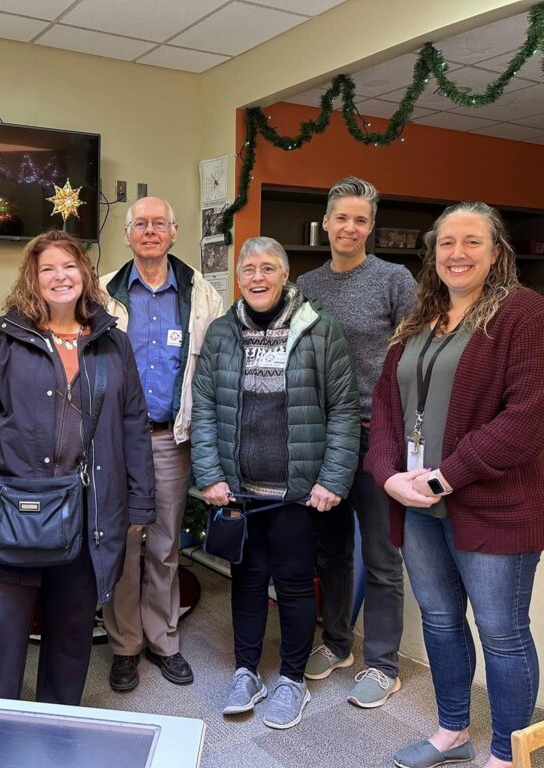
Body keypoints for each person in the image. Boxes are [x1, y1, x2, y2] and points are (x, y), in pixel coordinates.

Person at [365, 202, 544, 768]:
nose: (457, 253)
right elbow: (384, 406)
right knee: (441, 620)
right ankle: (453, 731)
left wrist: (447, 474)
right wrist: (389, 477)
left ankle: (507, 754)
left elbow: (527, 420)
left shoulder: (525, 315)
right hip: (420, 505)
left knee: (502, 633)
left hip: (494, 505)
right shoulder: (419, 321)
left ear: (497, 251)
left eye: (472, 241)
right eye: (446, 242)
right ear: (433, 253)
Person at [0, 230, 155, 705]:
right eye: (48, 268)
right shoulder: (2, 336)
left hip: (89, 513)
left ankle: (56, 730)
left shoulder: (113, 343)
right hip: (15, 510)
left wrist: (140, 501)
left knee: (70, 637)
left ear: (84, 274)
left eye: (69, 266)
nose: (60, 276)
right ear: (32, 279)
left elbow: (132, 424)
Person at [192, 236, 360, 730]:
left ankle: (291, 679)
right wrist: (210, 475)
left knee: (292, 583)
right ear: (239, 279)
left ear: (286, 276)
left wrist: (332, 479)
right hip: (239, 492)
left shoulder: (319, 330)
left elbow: (344, 410)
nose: (258, 277)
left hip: (297, 492)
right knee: (245, 582)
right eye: (249, 270)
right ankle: (247, 671)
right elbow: (204, 408)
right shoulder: (223, 333)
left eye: (269, 268)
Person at [297, 177, 415, 707]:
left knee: (384, 555)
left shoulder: (394, 280)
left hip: (377, 436)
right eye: (341, 217)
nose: (349, 227)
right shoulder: (305, 285)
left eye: (361, 220)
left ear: (371, 226)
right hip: (324, 439)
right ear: (326, 221)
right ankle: (338, 642)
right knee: (332, 551)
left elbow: (413, 358)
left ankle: (384, 664)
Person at [100, 197, 223, 692]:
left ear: (174, 233)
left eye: (159, 224)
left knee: (167, 544)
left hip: (171, 439)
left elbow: (214, 370)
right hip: (115, 442)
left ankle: (163, 640)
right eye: (140, 225)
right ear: (128, 235)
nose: (150, 231)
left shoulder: (201, 293)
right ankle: (125, 646)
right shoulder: (103, 291)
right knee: (123, 544)